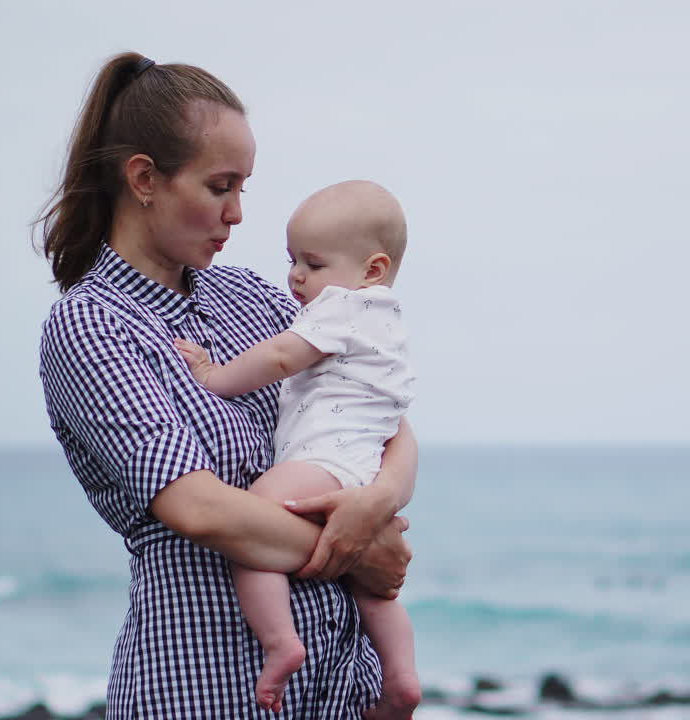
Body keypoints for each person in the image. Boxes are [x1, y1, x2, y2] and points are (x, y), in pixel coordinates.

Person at [35, 52, 418, 720]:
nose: (239, 213)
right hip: (207, 690)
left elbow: (380, 412)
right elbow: (201, 510)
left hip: (337, 694)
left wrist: (379, 499)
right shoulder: (91, 328)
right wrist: (356, 552)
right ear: (145, 179)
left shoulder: (252, 298)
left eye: (244, 187)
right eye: (220, 187)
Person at [174, 180, 418, 718]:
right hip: (360, 467)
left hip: (323, 462)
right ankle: (401, 678)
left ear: (372, 270)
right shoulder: (387, 326)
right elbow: (395, 423)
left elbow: (283, 356)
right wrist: (382, 496)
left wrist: (213, 375)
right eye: (293, 261)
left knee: (252, 521)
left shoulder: (341, 309)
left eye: (313, 262)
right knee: (373, 589)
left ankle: (280, 640)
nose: (296, 277)